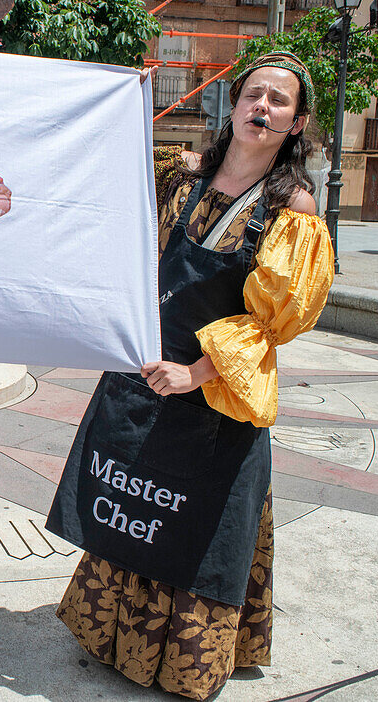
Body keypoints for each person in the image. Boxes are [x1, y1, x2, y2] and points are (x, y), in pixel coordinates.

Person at [45, 51, 335, 699]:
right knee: (133, 514)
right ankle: (112, 640)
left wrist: (197, 372)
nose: (261, 106)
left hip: (217, 395)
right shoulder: (185, 174)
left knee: (198, 531)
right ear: (232, 105)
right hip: (149, 374)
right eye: (252, 94)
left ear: (297, 122)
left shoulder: (295, 210)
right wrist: (124, 104)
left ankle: (185, 661)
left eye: (278, 101)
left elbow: (269, 324)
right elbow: (118, 220)